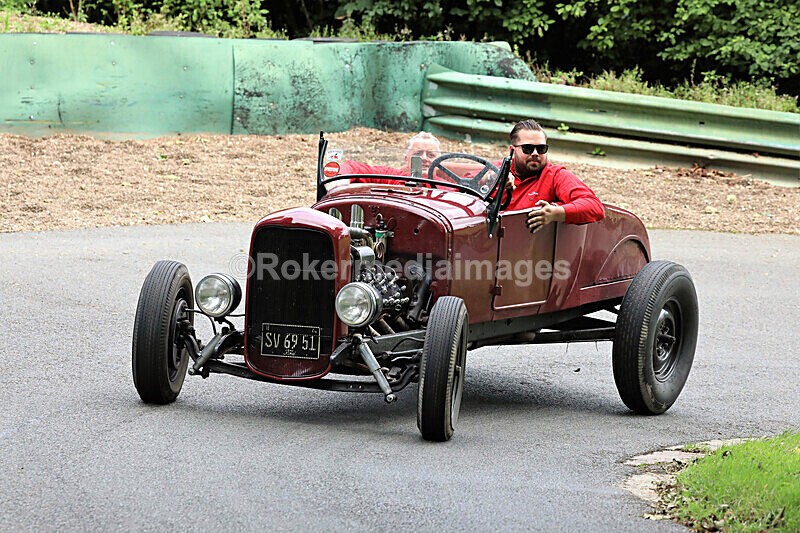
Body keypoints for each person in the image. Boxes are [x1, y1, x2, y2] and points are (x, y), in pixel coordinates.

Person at [503, 119, 605, 233]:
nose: (535, 153)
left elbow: (595, 206)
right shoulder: (496, 170)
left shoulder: (556, 175)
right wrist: (494, 179)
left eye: (541, 149)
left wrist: (556, 213)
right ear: (512, 150)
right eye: (528, 148)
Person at [339, 132, 442, 183]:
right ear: (406, 158)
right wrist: (339, 180)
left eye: (431, 155)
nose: (424, 158)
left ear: (439, 162)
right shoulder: (392, 176)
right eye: (418, 154)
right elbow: (354, 167)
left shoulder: (447, 187)